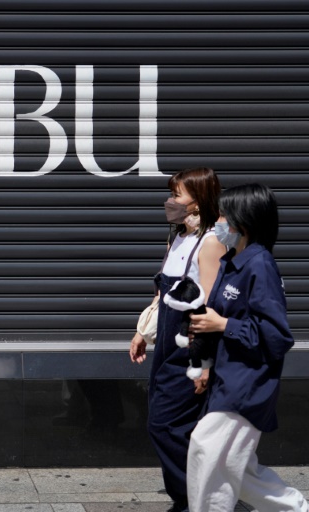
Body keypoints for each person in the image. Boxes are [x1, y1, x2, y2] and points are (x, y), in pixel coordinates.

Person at [186, 184, 308, 511]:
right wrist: (206, 363)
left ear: (245, 220)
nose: (218, 222)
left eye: (224, 215)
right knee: (237, 470)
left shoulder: (260, 265)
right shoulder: (231, 261)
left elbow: (276, 336)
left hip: (248, 383)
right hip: (226, 378)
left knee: (207, 452)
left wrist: (223, 325)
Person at [129, 167, 227, 512]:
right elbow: (162, 294)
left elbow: (212, 306)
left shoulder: (211, 241)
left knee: (165, 424)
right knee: (167, 423)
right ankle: (190, 499)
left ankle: (196, 500)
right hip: (167, 345)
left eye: (177, 195)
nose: (170, 201)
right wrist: (144, 331)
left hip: (190, 347)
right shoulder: (177, 237)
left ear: (198, 202)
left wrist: (203, 364)